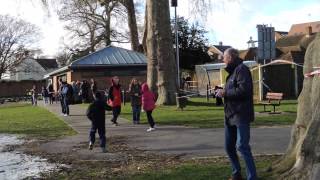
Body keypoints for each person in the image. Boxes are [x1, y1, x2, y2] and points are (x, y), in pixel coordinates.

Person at [215, 48, 257, 180]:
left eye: (224, 57)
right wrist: (221, 91)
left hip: (241, 115)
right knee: (229, 147)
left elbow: (244, 90)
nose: (222, 60)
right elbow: (233, 89)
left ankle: (252, 177)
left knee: (242, 146)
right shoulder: (232, 72)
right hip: (230, 115)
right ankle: (236, 173)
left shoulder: (242, 69)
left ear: (231, 58)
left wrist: (225, 93)